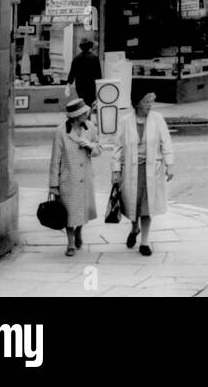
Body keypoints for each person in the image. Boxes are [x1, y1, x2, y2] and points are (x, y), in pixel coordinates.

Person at [112, 89, 175, 257]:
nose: (150, 105)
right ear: (137, 103)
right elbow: (117, 147)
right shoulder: (125, 121)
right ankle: (134, 228)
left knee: (147, 207)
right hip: (132, 170)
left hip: (152, 170)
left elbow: (166, 142)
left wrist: (170, 164)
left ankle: (145, 242)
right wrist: (116, 170)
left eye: (151, 102)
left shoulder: (157, 119)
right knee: (133, 205)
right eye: (146, 102)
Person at [48, 98, 101, 257]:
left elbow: (99, 150)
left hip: (85, 177)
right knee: (69, 212)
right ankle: (70, 243)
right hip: (68, 178)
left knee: (82, 210)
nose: (87, 114)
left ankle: (79, 230)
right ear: (76, 116)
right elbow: (55, 159)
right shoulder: (60, 132)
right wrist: (53, 185)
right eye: (83, 113)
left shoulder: (90, 128)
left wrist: (90, 146)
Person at [65, 39, 102, 108]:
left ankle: (84, 117)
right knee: (90, 103)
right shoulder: (95, 58)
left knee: (83, 102)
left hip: (80, 86)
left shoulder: (76, 59)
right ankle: (88, 117)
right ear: (90, 47)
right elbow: (98, 74)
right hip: (91, 85)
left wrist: (68, 85)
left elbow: (72, 73)